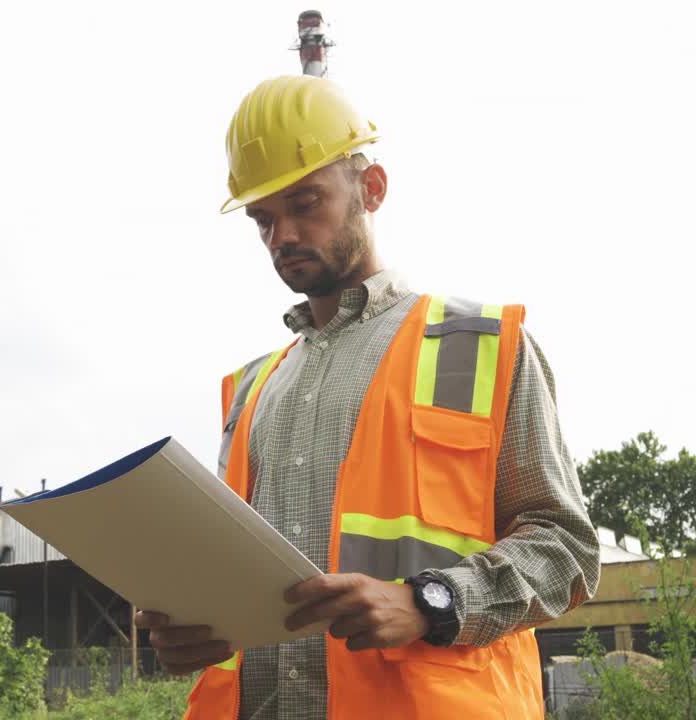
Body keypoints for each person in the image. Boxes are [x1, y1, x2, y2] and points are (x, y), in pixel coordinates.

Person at [134, 75, 600, 719]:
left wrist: (430, 602)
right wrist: (192, 626)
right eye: (264, 218)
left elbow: (566, 549)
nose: (284, 235)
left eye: (306, 202)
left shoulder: (482, 346)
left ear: (371, 189)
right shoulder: (251, 389)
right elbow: (235, 578)